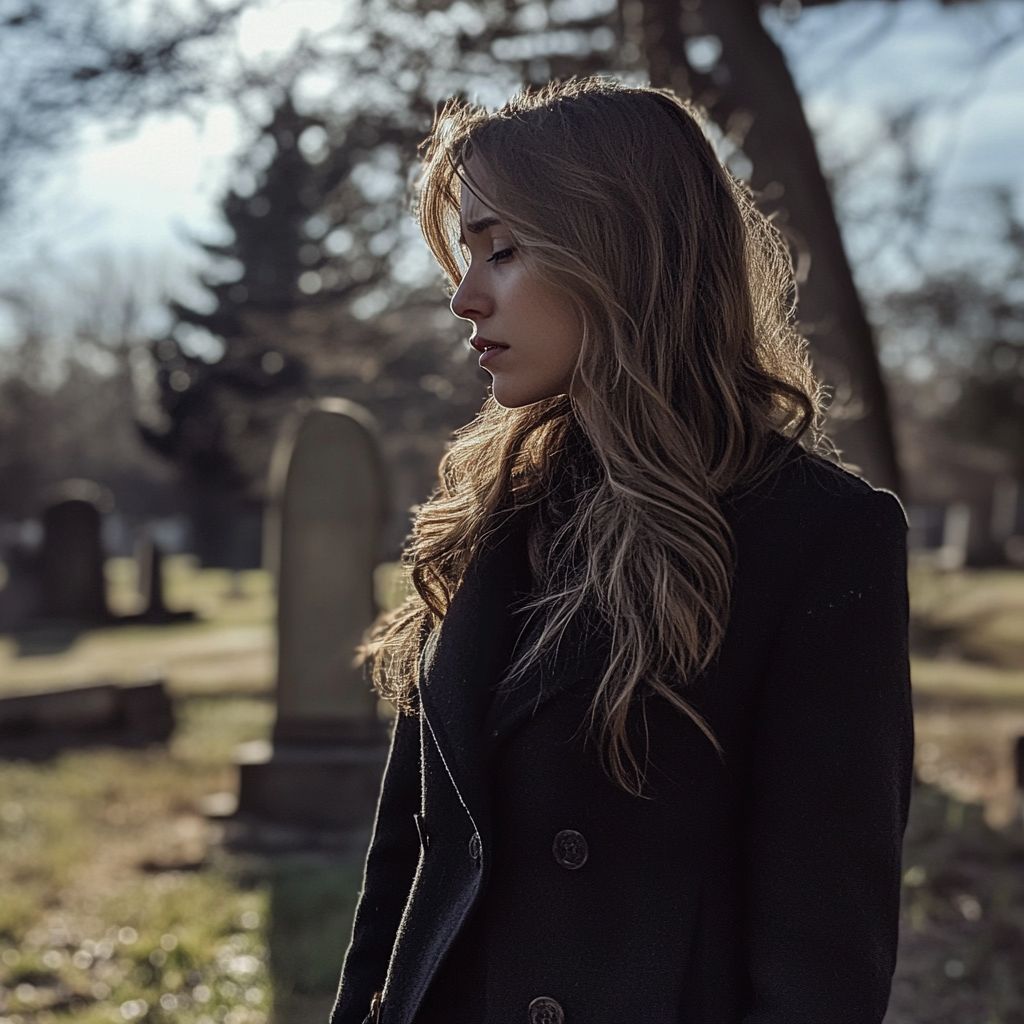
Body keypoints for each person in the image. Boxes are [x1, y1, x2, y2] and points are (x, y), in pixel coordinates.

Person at [330, 78, 913, 1024]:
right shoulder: (486, 511)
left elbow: (826, 950)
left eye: (504, 251)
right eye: (465, 254)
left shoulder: (823, 536)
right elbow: (409, 858)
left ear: (626, 250)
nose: (463, 296)